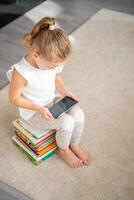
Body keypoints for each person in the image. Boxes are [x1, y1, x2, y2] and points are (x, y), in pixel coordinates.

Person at [7, 17, 91, 168]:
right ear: (35, 55)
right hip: (34, 112)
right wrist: (39, 108)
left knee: (78, 113)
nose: (55, 68)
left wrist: (65, 91)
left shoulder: (51, 61)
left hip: (50, 100)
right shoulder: (22, 72)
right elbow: (14, 98)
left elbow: (56, 76)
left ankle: (74, 144)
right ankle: (63, 149)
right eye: (52, 66)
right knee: (66, 122)